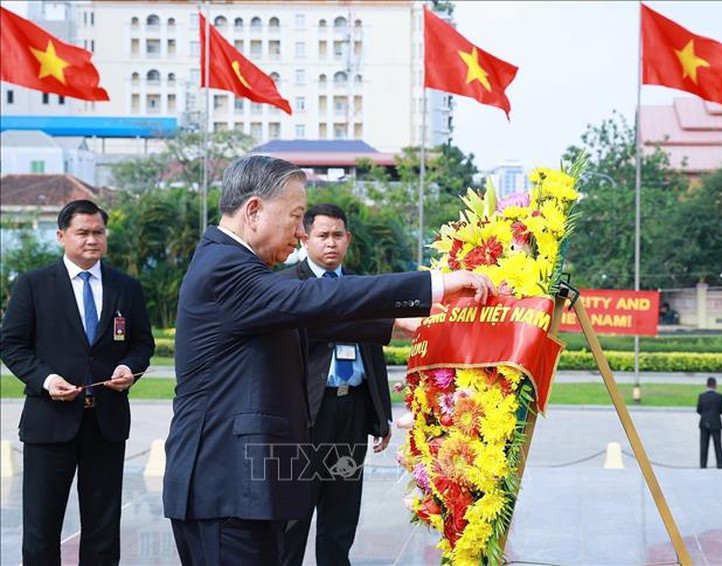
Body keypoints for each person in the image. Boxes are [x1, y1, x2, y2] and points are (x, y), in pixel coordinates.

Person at [163, 154, 493, 566]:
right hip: (225, 486)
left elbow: (310, 321)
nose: (301, 233)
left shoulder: (236, 266)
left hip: (239, 486)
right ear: (253, 211)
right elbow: (314, 298)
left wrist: (398, 324)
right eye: (296, 217)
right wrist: (434, 285)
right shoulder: (225, 268)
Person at [0, 199, 155, 565]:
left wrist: (128, 368)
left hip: (106, 423)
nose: (91, 240)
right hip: (50, 422)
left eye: (98, 232)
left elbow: (142, 343)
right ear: (61, 236)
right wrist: (46, 379)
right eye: (82, 232)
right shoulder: (34, 284)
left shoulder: (125, 287)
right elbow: (11, 344)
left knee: (103, 527)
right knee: (41, 527)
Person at [280, 203, 415, 566]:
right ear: (305, 238)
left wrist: (380, 414)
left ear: (348, 239)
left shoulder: (360, 288)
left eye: (338, 235)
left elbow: (374, 356)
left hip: (350, 411)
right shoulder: (286, 287)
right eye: (322, 236)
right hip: (304, 415)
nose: (331, 244)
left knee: (341, 517)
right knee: (292, 519)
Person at [697, 376, 722, 469]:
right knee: (718, 445)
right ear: (715, 385)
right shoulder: (719, 396)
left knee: (704, 445)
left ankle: (703, 465)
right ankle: (720, 465)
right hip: (716, 423)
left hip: (704, 423)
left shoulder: (701, 396)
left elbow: (698, 410)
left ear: (707, 385)